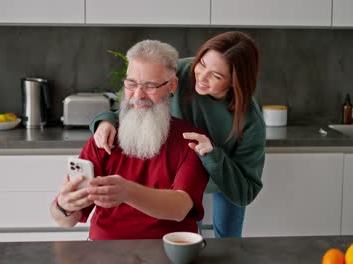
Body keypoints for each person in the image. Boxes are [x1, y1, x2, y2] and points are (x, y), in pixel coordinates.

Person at [89, 31, 266, 238]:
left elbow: (245, 191)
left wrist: (213, 156)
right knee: (186, 235)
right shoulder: (181, 71)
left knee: (228, 239)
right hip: (181, 175)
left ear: (235, 82)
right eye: (202, 64)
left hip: (224, 178)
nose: (201, 77)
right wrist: (106, 120)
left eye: (216, 76)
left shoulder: (250, 120)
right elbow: (139, 98)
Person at [50, 40, 209, 240]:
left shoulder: (192, 140)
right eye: (131, 84)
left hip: (167, 250)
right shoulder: (105, 135)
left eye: (150, 85)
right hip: (105, 251)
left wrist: (127, 192)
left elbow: (180, 207)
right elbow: (67, 221)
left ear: (172, 85)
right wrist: (63, 206)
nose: (138, 95)